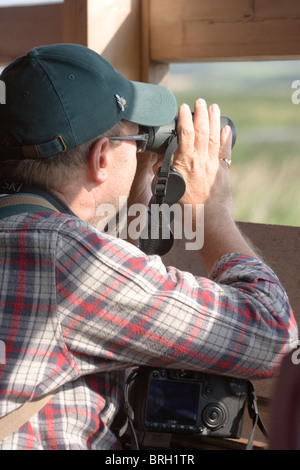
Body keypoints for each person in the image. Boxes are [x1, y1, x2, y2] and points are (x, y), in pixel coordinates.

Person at [0, 43, 297, 450]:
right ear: (102, 158)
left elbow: (110, 298)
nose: (143, 150)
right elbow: (273, 334)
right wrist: (210, 208)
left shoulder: (43, 246)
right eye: (135, 139)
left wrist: (141, 184)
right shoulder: (69, 262)